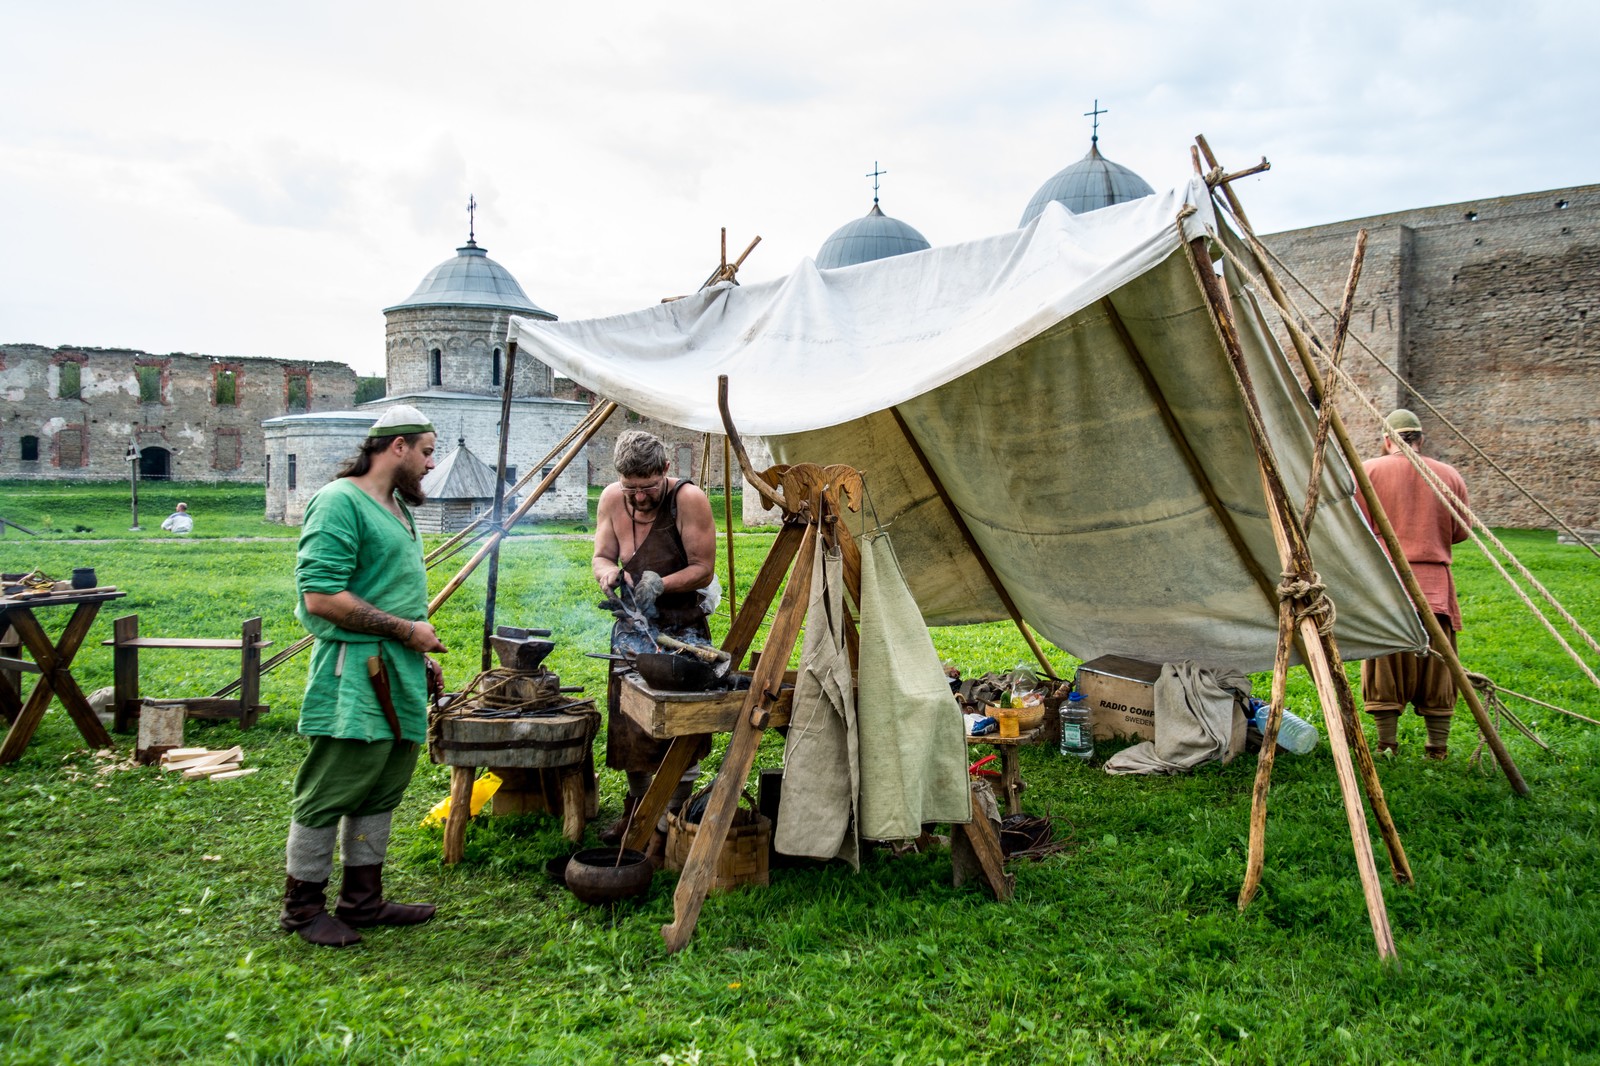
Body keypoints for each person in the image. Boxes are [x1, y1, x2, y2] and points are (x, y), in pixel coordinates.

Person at [279, 404, 448, 947]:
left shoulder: (396, 505)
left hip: (397, 664)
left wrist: (416, 652)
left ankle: (362, 900)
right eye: (425, 451)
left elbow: (389, 590)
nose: (429, 463)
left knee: (382, 785)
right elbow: (322, 596)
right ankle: (302, 909)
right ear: (395, 447)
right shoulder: (338, 502)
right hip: (356, 667)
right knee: (332, 787)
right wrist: (405, 631)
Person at [591, 431, 718, 860]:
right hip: (632, 628)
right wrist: (608, 572)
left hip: (682, 630)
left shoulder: (689, 499)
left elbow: (702, 568)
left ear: (665, 471)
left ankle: (672, 817)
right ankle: (638, 809)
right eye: (631, 489)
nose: (640, 498)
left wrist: (661, 584)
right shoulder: (612, 499)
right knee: (630, 724)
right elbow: (601, 555)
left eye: (648, 488)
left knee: (678, 722)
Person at [1356, 408, 1470, 759]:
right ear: (1420, 439)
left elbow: (1355, 524)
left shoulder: (1368, 471)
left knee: (1385, 662)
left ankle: (1386, 744)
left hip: (1387, 583)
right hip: (1435, 585)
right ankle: (1437, 747)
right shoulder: (1449, 475)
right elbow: (1460, 531)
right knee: (1439, 667)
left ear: (1386, 439)